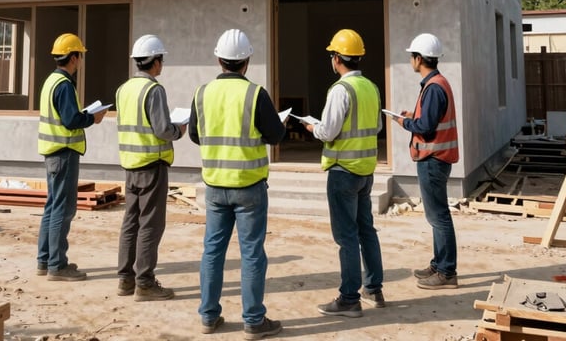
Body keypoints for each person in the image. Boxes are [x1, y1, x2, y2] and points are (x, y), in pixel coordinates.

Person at [189, 29, 286, 340]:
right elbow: (275, 136)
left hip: (215, 185)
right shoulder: (256, 94)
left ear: (219, 60)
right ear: (247, 61)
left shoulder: (201, 93)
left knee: (212, 252)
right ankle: (253, 320)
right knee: (252, 253)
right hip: (249, 186)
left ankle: (208, 316)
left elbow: (194, 134)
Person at [303, 29, 385, 318]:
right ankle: (373, 288)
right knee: (366, 229)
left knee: (347, 236)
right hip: (365, 170)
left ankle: (349, 298)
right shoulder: (371, 87)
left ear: (336, 59)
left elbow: (328, 130)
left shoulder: (341, 90)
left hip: (342, 172)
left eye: (332, 55)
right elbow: (376, 127)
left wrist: (313, 128)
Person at [116, 34, 185, 301]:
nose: (162, 65)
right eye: (161, 60)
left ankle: (125, 280)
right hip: (152, 167)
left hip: (130, 166)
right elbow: (162, 130)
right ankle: (144, 282)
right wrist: (178, 130)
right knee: (150, 225)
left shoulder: (123, 89)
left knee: (130, 222)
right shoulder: (153, 90)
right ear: (155, 62)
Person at [37, 33, 107, 281]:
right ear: (74, 57)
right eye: (80, 56)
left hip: (52, 152)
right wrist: (92, 118)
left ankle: (44, 260)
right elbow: (70, 120)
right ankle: (57, 265)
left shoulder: (51, 81)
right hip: (64, 153)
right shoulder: (65, 85)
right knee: (63, 209)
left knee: (52, 206)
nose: (80, 62)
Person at [394, 32, 459, 289]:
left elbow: (426, 126)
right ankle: (438, 264)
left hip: (433, 158)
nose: (411, 61)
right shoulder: (438, 83)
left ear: (419, 59)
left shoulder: (433, 87)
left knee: (438, 216)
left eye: (412, 57)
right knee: (435, 216)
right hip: (436, 158)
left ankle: (446, 272)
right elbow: (430, 118)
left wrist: (404, 122)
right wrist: (415, 115)